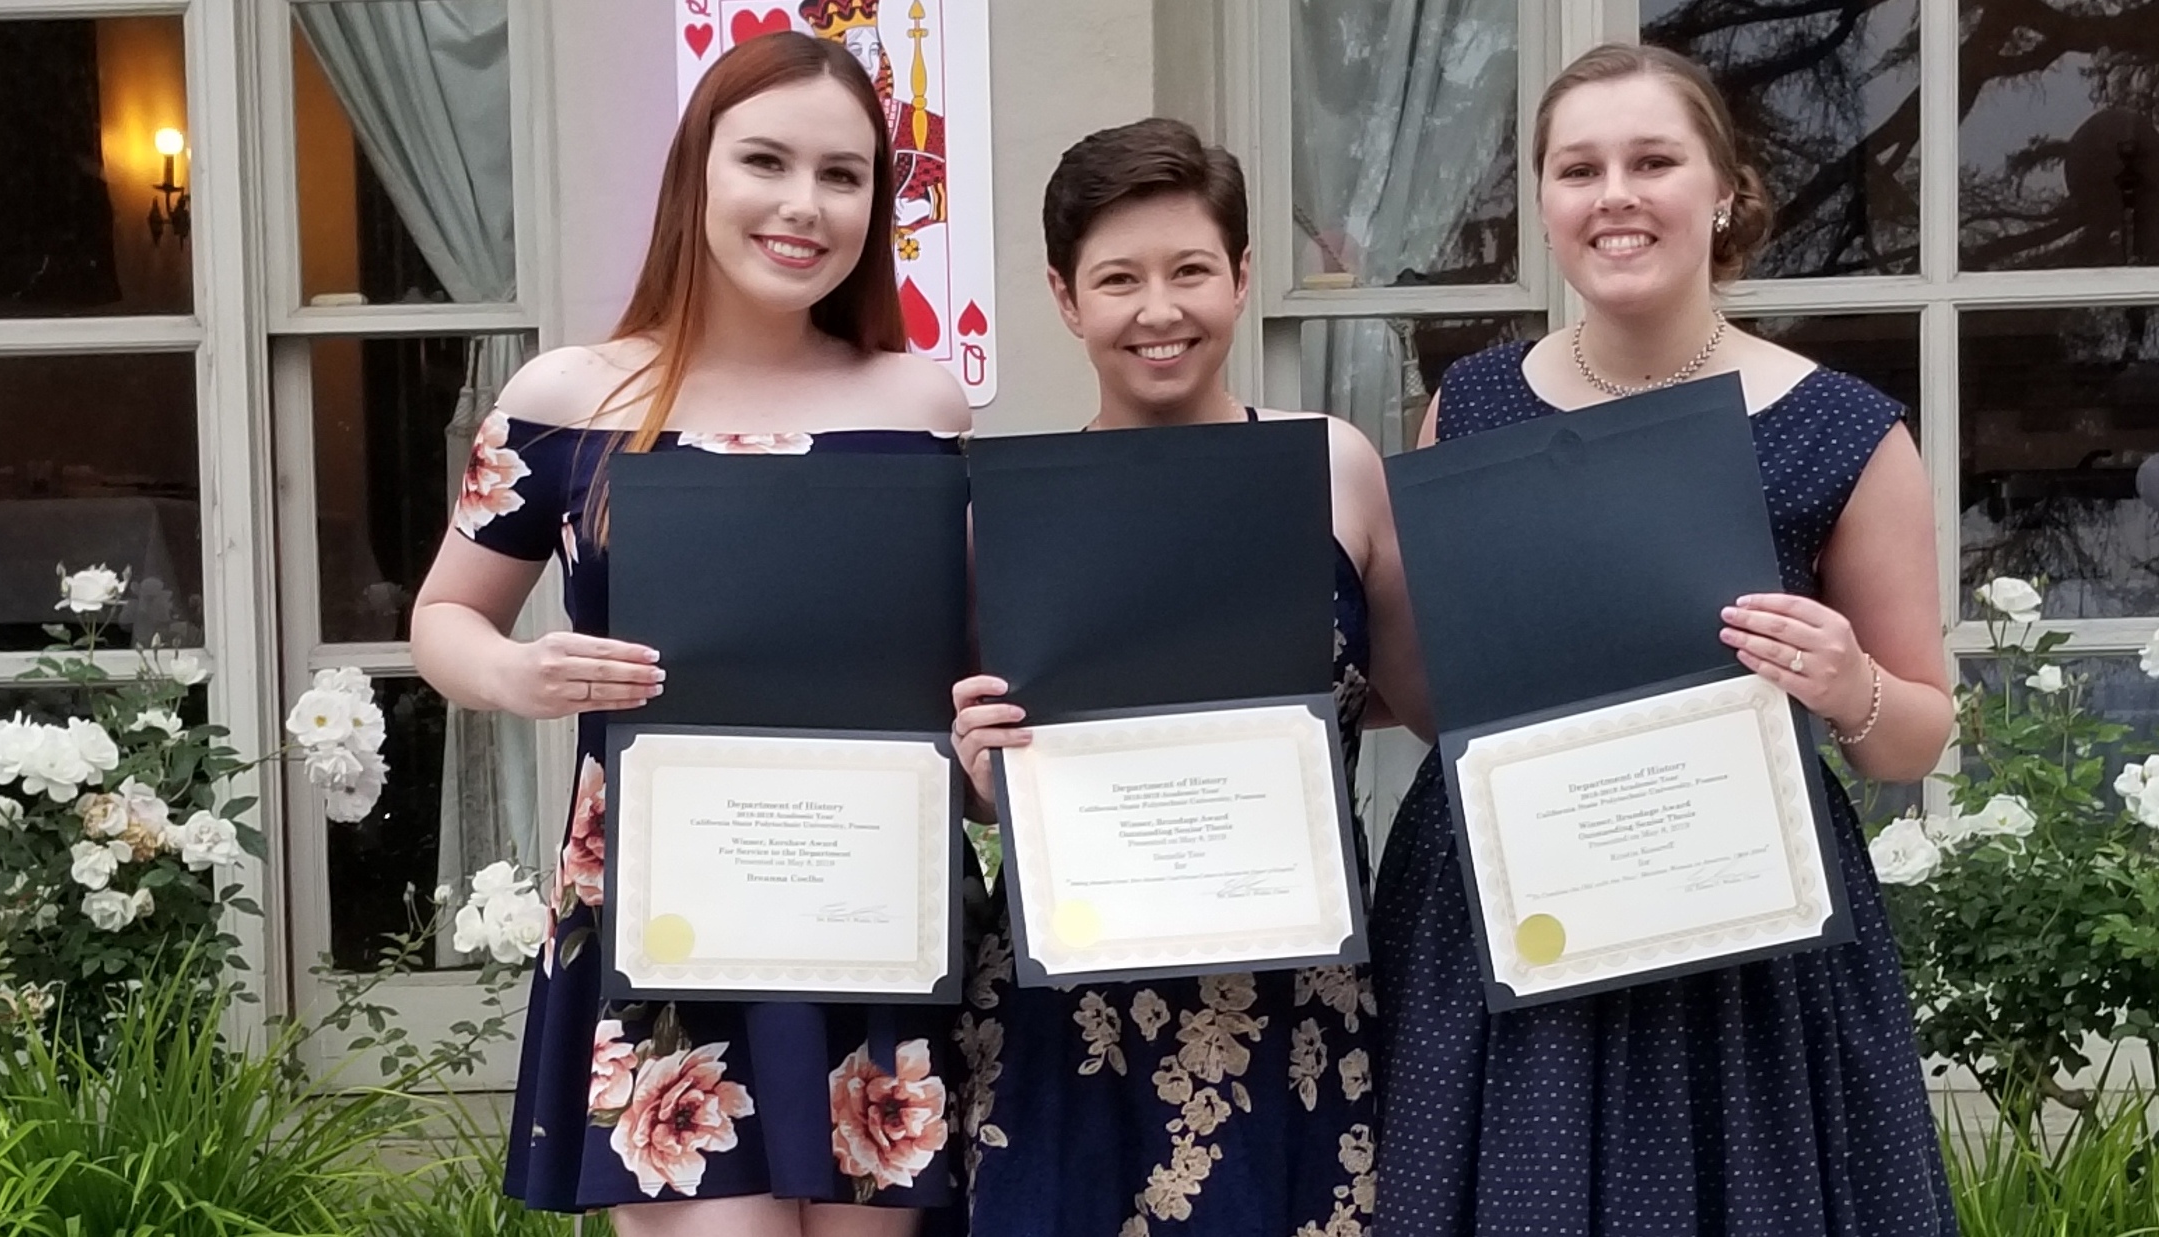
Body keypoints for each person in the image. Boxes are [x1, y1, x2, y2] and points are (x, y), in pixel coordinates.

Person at [1368, 43, 1961, 1237]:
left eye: (1653, 160)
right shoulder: (1471, 408)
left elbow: (1918, 736)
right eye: (1578, 169)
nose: (1616, 195)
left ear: (1726, 189)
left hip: (1737, 940)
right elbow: (1439, 696)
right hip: (1504, 905)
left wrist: (1849, 685)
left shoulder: (1841, 430)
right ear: (1543, 202)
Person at [410, 31, 970, 1237]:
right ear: (694, 175)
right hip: (667, 915)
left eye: (844, 175)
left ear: (878, 204)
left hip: (871, 907)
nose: (803, 205)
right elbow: (443, 617)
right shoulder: (567, 401)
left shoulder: (924, 405)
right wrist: (520, 669)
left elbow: (962, 655)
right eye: (765, 160)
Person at [945, 118, 1431, 1237]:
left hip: (1298, 993)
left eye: (1190, 271)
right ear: (1066, 298)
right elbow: (988, 776)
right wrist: (977, 768)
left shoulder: (1334, 463)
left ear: (1244, 277)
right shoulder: (1004, 513)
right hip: (1076, 1008)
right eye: (1118, 278)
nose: (1158, 310)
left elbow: (1419, 694)